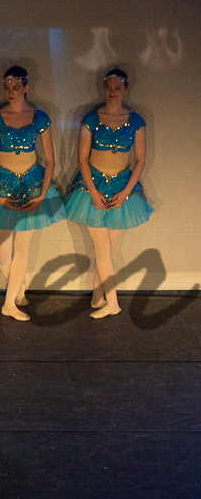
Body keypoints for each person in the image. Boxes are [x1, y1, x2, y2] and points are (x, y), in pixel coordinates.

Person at [0, 65, 65, 321]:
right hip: (3, 185)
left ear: (26, 87)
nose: (11, 92)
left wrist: (42, 194)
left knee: (22, 248)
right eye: (7, 88)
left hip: (31, 185)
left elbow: (50, 160)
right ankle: (19, 288)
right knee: (3, 253)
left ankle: (9, 304)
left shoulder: (39, 118)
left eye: (16, 87)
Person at [63, 69, 152, 318]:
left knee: (107, 252)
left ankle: (97, 296)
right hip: (92, 186)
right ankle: (113, 303)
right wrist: (92, 192)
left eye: (117, 87)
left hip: (122, 188)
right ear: (104, 88)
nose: (112, 92)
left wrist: (125, 193)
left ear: (125, 89)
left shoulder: (136, 121)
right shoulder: (92, 118)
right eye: (109, 87)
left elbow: (140, 160)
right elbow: (82, 158)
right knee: (102, 251)